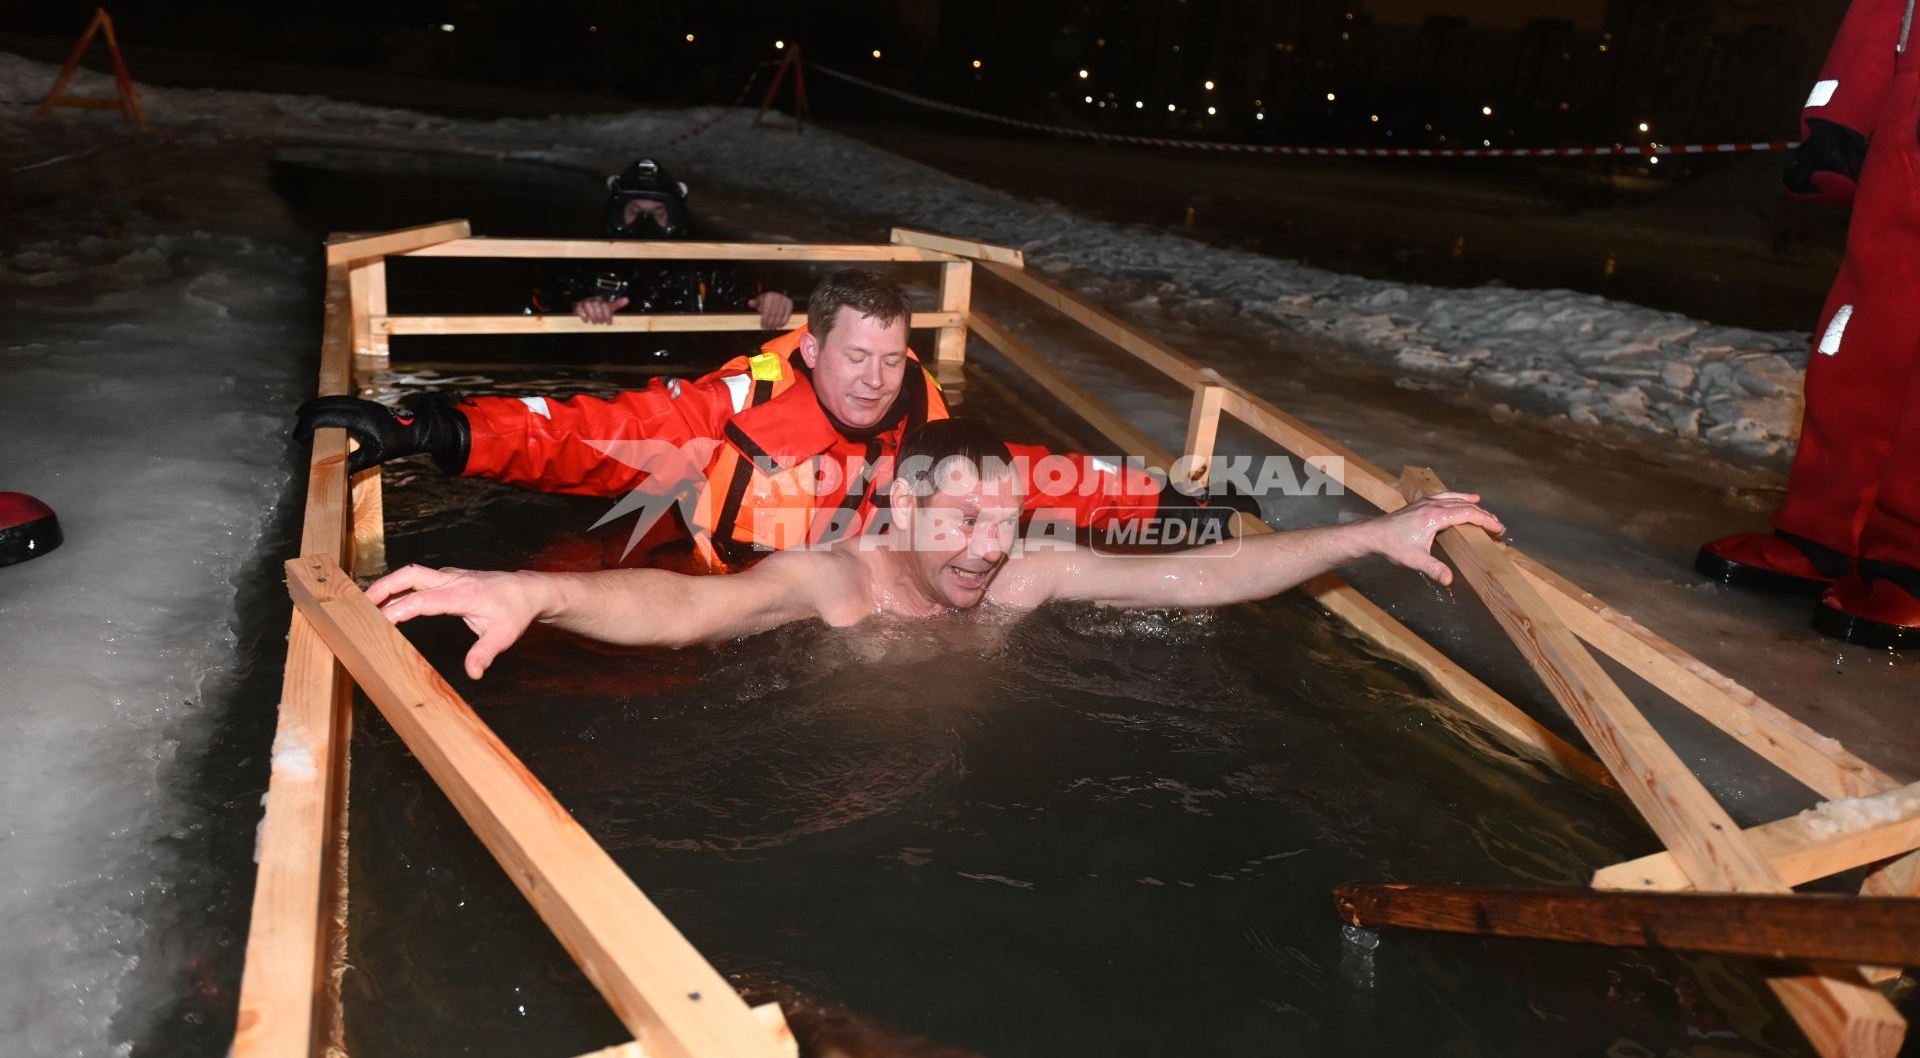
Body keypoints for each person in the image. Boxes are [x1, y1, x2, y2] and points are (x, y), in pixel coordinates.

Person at [364, 418, 1500, 680]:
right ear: (899, 512)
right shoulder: (834, 579)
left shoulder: (1024, 570)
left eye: (1003, 520)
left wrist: (1379, 531)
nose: (985, 547)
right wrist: (527, 589)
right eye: (960, 520)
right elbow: (682, 612)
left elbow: (1203, 576)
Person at [294, 270, 1238, 568]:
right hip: (706, 575)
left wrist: (1166, 503)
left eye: (890, 358)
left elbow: (1034, 475)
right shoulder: (730, 407)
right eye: (854, 357)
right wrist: (430, 430)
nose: (873, 381)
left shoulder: (923, 419)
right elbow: (584, 432)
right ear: (812, 350)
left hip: (837, 605)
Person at [1695, 0, 1920, 649]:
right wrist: (1841, 113)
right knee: (1861, 343)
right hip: (1909, 135)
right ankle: (1826, 535)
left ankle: (1912, 560)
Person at [527, 158, 794, 332]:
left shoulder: (704, 264)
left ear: (674, 217)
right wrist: (577, 308)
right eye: (634, 210)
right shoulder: (585, 260)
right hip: (607, 385)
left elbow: (748, 297)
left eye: (657, 213)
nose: (645, 223)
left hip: (684, 386)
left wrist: (770, 300)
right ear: (617, 213)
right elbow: (541, 302)